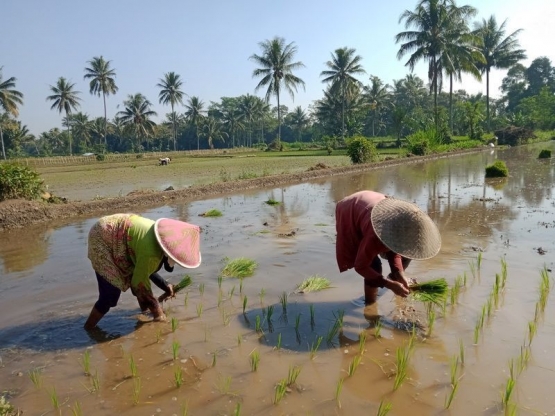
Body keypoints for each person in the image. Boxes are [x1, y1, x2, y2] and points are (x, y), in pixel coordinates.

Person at [84, 214, 201, 330]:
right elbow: (139, 282)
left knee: (140, 281)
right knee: (110, 296)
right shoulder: (151, 253)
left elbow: (145, 269)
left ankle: (144, 312)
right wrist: (158, 314)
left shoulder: (158, 241)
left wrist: (166, 286)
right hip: (103, 238)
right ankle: (89, 328)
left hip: (115, 232)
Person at [335, 191, 441, 305]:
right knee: (373, 266)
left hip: (370, 204)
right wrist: (388, 284)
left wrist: (400, 274)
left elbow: (395, 251)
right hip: (350, 209)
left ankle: (394, 278)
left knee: (406, 254)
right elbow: (360, 266)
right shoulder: (375, 235)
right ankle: (370, 304)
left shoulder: (399, 227)